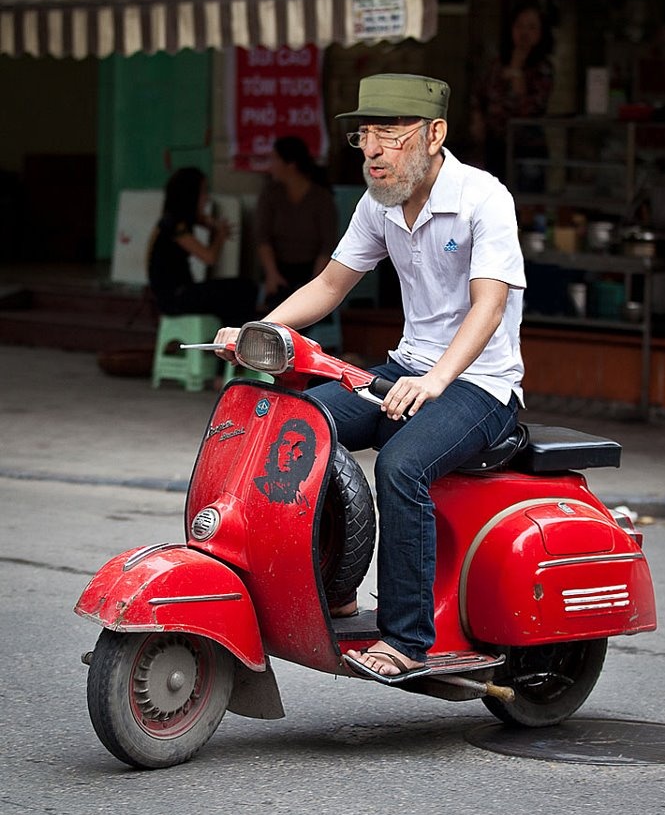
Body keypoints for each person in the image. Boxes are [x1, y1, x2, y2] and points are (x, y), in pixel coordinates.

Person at [215, 73, 526, 684]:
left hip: (482, 386)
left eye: (391, 134)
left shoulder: (483, 198)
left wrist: (436, 380)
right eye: (365, 136)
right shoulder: (378, 204)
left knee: (401, 465)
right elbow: (330, 285)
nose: (374, 151)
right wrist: (258, 330)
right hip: (407, 368)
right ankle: (336, 584)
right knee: (302, 424)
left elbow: (488, 307)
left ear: (435, 135)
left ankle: (408, 640)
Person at [147, 166, 257, 326]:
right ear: (191, 195)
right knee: (243, 290)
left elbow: (200, 219)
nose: (206, 198)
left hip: (179, 294)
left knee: (239, 290)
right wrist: (220, 236)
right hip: (174, 298)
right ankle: (237, 340)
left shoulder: (175, 220)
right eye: (203, 192)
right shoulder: (174, 226)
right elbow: (209, 257)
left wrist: (214, 224)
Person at [470, 1, 554, 187]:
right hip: (495, 145)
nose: (524, 33)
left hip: (527, 146)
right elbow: (480, 94)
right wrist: (478, 119)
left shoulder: (543, 68)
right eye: (520, 26)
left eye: (531, 27)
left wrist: (517, 75)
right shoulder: (497, 65)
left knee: (527, 199)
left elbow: (533, 106)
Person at [255, 136, 338, 309]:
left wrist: (316, 284)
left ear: (290, 164)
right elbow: (263, 238)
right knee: (274, 308)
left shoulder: (321, 198)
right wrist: (272, 273)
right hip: (280, 268)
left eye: (275, 159)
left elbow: (328, 244)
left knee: (311, 309)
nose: (271, 165)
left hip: (312, 268)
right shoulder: (271, 194)